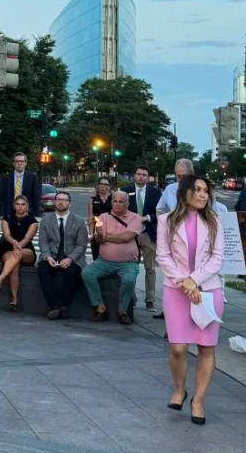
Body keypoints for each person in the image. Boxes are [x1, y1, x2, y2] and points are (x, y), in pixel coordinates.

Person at [156, 175, 225, 426]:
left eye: (206, 190)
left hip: (208, 290)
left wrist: (193, 280)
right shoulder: (166, 220)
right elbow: (163, 256)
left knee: (206, 347)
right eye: (197, 189)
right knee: (178, 347)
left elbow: (218, 258)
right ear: (184, 192)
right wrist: (183, 282)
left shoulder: (215, 220)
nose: (203, 194)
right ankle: (180, 389)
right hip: (176, 290)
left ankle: (198, 400)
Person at [82, 191, 142, 325]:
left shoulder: (135, 218)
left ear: (127, 204)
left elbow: (126, 237)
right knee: (87, 273)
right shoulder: (103, 217)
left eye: (121, 202)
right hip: (104, 261)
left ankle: (122, 311)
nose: (117, 204)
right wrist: (99, 235)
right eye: (115, 201)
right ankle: (99, 305)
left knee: (129, 280)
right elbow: (99, 240)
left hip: (128, 263)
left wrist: (106, 236)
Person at [37, 192, 88, 320]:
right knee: (43, 269)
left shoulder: (79, 221)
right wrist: (48, 256)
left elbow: (81, 245)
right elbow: (43, 242)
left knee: (71, 272)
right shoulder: (46, 220)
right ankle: (57, 307)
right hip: (52, 255)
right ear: (55, 202)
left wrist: (70, 259)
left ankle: (61, 306)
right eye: (58, 199)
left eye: (64, 200)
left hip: (71, 257)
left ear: (69, 204)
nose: (61, 202)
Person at [121, 166, 162, 312]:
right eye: (138, 174)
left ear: (148, 177)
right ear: (134, 175)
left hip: (147, 233)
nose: (141, 177)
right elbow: (119, 210)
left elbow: (161, 213)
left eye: (144, 175)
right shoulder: (125, 191)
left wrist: (147, 218)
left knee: (150, 268)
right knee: (130, 268)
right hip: (130, 234)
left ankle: (150, 300)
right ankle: (131, 298)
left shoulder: (155, 192)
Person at [0, 195, 38, 311]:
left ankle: (0, 279)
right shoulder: (7, 218)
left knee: (18, 254)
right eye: (17, 204)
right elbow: (7, 235)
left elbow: (27, 238)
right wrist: (14, 242)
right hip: (8, 247)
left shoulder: (33, 221)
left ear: (27, 206)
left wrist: (18, 246)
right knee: (14, 266)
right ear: (14, 206)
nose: (20, 207)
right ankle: (14, 300)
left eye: (23, 204)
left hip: (26, 249)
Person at [0, 152, 41, 217]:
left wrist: (36, 214)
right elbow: (2, 198)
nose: (19, 163)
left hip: (27, 213)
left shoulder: (33, 178)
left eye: (22, 161)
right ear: (13, 163)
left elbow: (36, 196)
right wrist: (1, 214)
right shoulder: (6, 178)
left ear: (25, 163)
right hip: (9, 213)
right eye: (17, 161)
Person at [86, 177, 113, 261]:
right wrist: (91, 234)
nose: (103, 186)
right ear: (97, 186)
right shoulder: (93, 200)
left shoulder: (114, 199)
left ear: (109, 187)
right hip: (96, 231)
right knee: (96, 256)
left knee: (110, 256)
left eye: (106, 184)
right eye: (101, 184)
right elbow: (90, 218)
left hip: (111, 231)